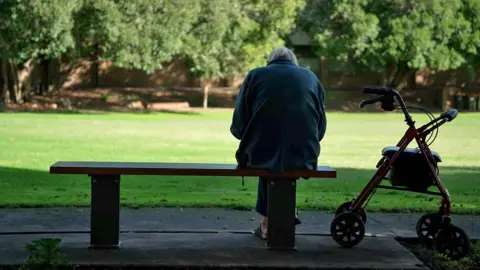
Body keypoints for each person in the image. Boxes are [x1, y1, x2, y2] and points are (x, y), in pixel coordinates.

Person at [230, 47, 327, 240]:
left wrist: (245, 135)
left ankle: (268, 222)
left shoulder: (256, 75)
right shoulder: (311, 77)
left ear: (270, 61)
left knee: (268, 156)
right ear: (294, 61)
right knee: (278, 157)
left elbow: (239, 125)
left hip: (261, 152)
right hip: (304, 153)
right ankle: (280, 215)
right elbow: (320, 127)